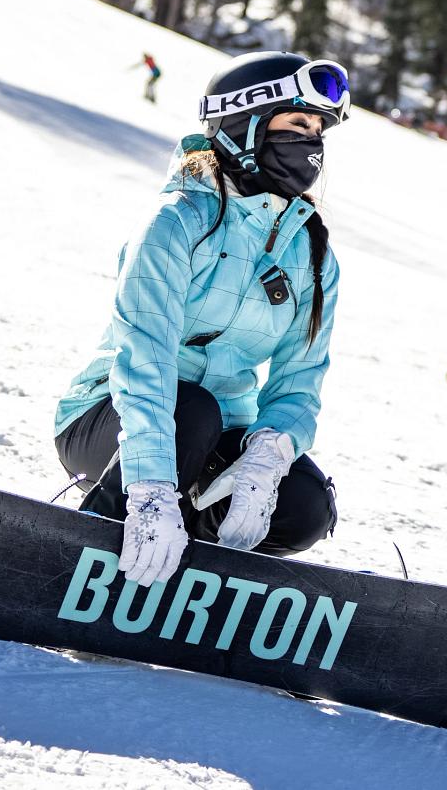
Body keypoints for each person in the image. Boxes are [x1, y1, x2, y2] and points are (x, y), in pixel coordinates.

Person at [52, 51, 352, 588]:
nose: (312, 145)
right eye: (299, 125)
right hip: (114, 419)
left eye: (319, 132)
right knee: (191, 410)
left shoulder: (310, 253)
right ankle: (106, 537)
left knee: (305, 504)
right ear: (246, 123)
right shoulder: (175, 222)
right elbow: (143, 361)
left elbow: (300, 382)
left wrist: (268, 453)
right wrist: (148, 488)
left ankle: (187, 558)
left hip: (213, 432)